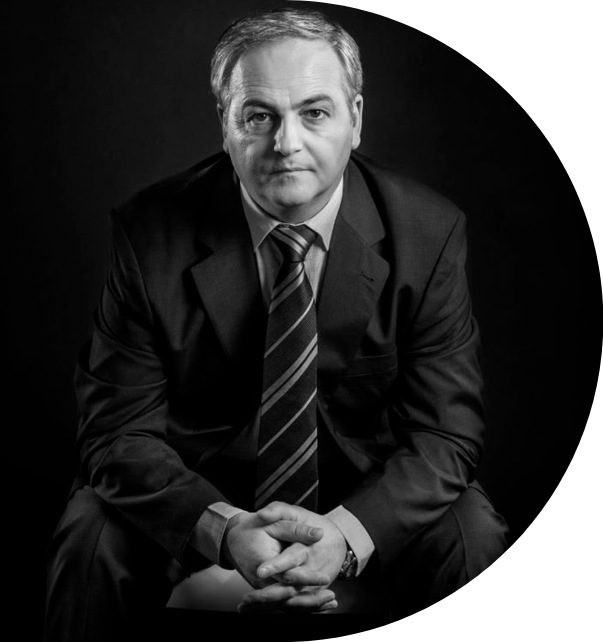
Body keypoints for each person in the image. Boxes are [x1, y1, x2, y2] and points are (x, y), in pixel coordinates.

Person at [44, 7, 512, 642]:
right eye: (258, 116)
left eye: (314, 113)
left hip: (365, 488)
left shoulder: (428, 233)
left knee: (473, 537)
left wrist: (345, 533)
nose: (286, 143)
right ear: (226, 124)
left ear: (355, 120)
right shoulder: (150, 234)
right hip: (199, 484)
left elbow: (444, 433)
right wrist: (223, 527)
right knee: (90, 535)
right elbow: (116, 433)